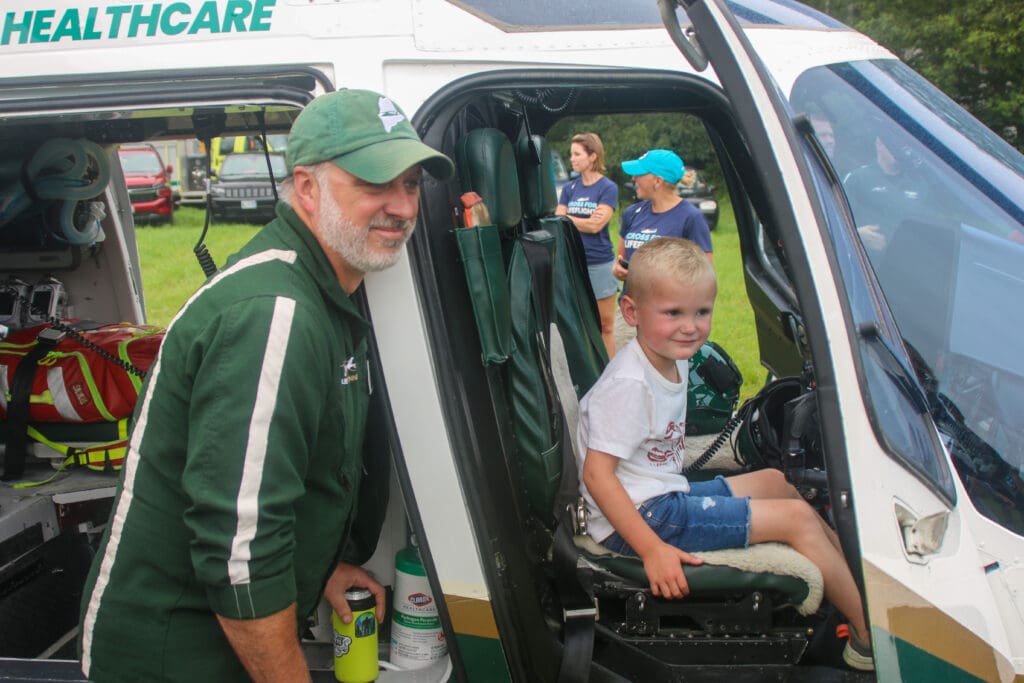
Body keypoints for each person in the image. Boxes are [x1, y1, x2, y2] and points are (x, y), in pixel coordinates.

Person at [78, 89, 454, 682]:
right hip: (177, 657)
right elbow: (239, 551)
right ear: (307, 188)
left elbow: (270, 485)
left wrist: (321, 570)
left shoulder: (326, 293)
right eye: (375, 184)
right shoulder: (275, 314)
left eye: (410, 184)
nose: (403, 207)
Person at [577, 238, 874, 672]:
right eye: (673, 313)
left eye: (701, 312)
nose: (690, 327)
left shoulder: (669, 359)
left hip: (660, 495)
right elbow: (597, 475)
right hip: (643, 517)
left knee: (777, 482)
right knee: (797, 519)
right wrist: (653, 550)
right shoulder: (629, 385)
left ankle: (856, 586)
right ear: (631, 312)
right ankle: (870, 636)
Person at [611, 149, 712, 349]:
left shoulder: (690, 218)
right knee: (624, 365)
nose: (634, 178)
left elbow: (703, 272)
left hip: (668, 318)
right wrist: (618, 270)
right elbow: (621, 257)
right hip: (630, 312)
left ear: (658, 181)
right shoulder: (632, 213)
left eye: (640, 174)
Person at [556, 133, 620, 358]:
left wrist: (568, 218)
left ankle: (610, 371)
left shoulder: (608, 188)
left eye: (577, 154)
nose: (572, 159)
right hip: (572, 262)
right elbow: (558, 221)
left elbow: (596, 226)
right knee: (580, 323)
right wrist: (581, 221)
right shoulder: (569, 189)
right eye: (571, 154)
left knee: (605, 325)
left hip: (598, 262)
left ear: (593, 156)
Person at [843, 131, 928, 253]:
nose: (900, 150)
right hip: (864, 258)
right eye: (894, 145)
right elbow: (835, 222)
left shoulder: (918, 184)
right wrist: (856, 235)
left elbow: (928, 227)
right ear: (879, 144)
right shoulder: (858, 178)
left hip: (905, 257)